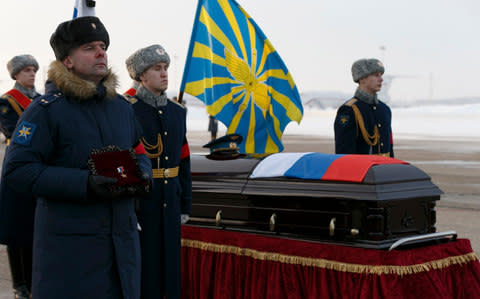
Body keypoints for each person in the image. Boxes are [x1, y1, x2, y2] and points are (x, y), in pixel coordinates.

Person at [1, 16, 152, 299]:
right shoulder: (45, 111)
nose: (101, 52)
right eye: (89, 47)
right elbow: (17, 171)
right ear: (67, 61)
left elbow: (139, 150)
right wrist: (84, 183)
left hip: (123, 247)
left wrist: (143, 173)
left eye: (103, 46)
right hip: (71, 253)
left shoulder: (122, 108)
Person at [126, 44, 192, 299]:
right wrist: (128, 208)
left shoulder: (177, 112)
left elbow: (183, 161)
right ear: (142, 76)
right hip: (142, 204)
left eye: (165, 68)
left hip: (171, 202)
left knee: (171, 269)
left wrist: (185, 204)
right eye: (157, 69)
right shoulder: (127, 110)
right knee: (146, 271)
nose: (164, 73)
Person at [0, 54, 40, 299]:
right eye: (26, 70)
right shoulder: (6, 102)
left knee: (36, 227)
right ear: (16, 75)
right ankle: (20, 284)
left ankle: (37, 281)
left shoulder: (44, 100)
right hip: (17, 168)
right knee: (16, 228)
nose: (32, 74)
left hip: (40, 168)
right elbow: (14, 131)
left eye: (34, 70)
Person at [334, 58, 394, 157]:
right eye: (376, 75)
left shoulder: (384, 109)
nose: (381, 79)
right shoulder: (349, 110)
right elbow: (344, 154)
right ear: (362, 79)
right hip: (362, 171)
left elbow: (389, 148)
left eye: (381, 75)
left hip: (384, 169)